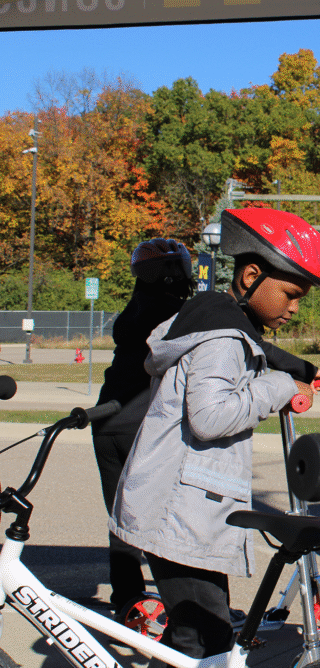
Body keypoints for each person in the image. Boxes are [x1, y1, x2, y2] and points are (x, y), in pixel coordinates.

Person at [109, 208, 320, 668]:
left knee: (190, 640)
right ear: (252, 276)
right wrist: (277, 388)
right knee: (206, 644)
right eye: (291, 294)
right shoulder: (222, 337)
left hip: (184, 508)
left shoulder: (223, 324)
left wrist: (287, 377)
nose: (295, 308)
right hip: (177, 512)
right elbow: (210, 417)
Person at [92, 239, 195, 615]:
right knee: (160, 516)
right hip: (141, 426)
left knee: (121, 516)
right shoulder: (177, 314)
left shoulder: (133, 311)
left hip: (105, 421)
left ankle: (128, 599)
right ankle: (183, 603)